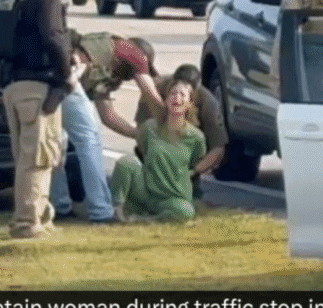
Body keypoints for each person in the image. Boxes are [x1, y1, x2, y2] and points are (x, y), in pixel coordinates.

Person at [0, 0, 75, 239]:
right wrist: (65, 76)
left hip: (12, 83)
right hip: (37, 86)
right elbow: (54, 38)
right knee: (38, 158)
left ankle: (40, 217)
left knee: (26, 158)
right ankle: (28, 224)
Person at [50, 32, 164, 223]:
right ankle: (101, 211)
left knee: (57, 145)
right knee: (90, 140)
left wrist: (137, 134)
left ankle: (61, 207)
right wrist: (166, 126)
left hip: (52, 79)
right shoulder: (133, 52)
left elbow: (108, 116)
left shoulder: (109, 67)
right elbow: (150, 93)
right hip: (67, 77)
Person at [108, 75, 207, 223]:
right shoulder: (149, 127)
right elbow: (142, 150)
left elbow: (196, 160)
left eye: (182, 95)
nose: (176, 98)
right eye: (173, 93)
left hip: (172, 196)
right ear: (166, 100)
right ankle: (116, 210)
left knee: (185, 211)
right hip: (146, 189)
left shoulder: (196, 137)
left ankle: (147, 219)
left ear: (189, 104)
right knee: (126, 162)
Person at [132, 63, 227, 199]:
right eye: (174, 91)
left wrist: (193, 171)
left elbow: (218, 147)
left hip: (187, 150)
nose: (177, 97)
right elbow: (141, 128)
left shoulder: (208, 103)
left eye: (184, 92)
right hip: (158, 142)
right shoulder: (155, 89)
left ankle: (189, 186)